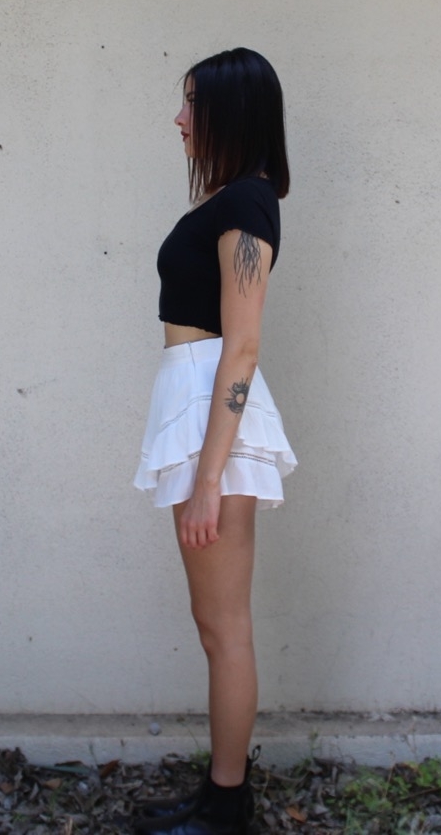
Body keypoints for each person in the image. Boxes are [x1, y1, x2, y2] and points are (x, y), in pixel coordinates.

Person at [131, 47, 297, 835]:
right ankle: (217, 797)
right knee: (214, 625)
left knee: (226, 629)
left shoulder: (248, 205)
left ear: (230, 111)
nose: (179, 118)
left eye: (191, 102)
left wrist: (209, 477)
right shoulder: (235, 201)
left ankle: (228, 810)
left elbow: (244, 344)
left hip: (213, 419)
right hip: (196, 404)